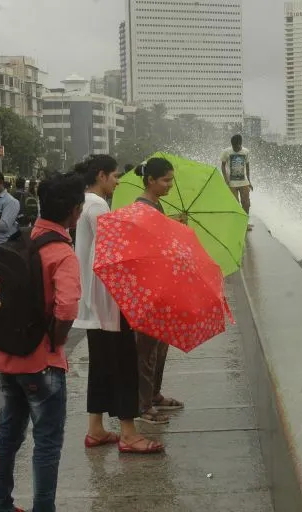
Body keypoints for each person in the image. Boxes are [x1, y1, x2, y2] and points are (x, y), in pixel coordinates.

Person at [0, 172, 84, 512]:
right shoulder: (61, 251)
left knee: (8, 438)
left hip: (7, 356)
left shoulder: (20, 239)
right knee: (46, 443)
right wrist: (53, 343)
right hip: (41, 363)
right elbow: (67, 306)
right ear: (75, 210)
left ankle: (2, 505)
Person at [73, 154, 164, 454]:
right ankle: (128, 433)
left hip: (91, 299)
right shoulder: (98, 205)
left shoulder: (85, 203)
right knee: (125, 364)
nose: (117, 182)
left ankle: (95, 428)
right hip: (108, 300)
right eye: (114, 177)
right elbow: (114, 250)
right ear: (101, 176)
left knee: (99, 366)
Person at [133, 158, 185, 424]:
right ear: (150, 180)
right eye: (166, 180)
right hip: (147, 289)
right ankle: (142, 406)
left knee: (159, 347)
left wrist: (173, 225)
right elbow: (146, 249)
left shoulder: (156, 205)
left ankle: (154, 395)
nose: (170, 185)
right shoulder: (141, 209)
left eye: (171, 180)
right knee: (146, 351)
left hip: (160, 286)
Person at [220, 134, 253, 230]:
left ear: (240, 144)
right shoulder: (226, 152)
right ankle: (237, 223)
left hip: (244, 182)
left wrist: (249, 181)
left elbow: (247, 166)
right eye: (233, 146)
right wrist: (225, 179)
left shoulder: (246, 152)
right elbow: (223, 165)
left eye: (236, 146)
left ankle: (245, 223)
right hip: (231, 182)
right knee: (235, 204)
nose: (235, 148)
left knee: (246, 203)